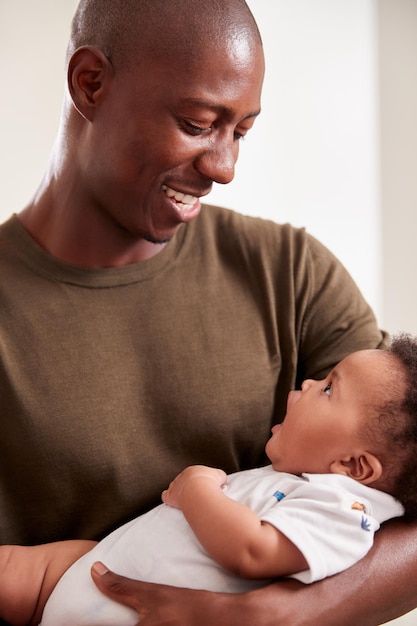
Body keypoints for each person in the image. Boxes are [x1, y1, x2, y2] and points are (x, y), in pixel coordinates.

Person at [1, 0, 417, 624]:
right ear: (90, 83)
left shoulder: (289, 272)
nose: (224, 167)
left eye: (241, 132)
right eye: (198, 124)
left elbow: (406, 481)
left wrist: (290, 615)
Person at [1, 335, 416, 626]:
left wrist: (194, 488)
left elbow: (253, 551)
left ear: (355, 467)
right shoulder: (299, 478)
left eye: (328, 390)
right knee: (15, 566)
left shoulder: (345, 510)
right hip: (93, 569)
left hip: (137, 613)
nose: (308, 383)